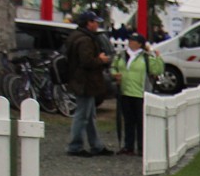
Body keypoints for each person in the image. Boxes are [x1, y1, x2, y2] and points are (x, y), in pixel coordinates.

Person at [65, 10, 112, 157]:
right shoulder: (85, 40)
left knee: (90, 114)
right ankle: (75, 146)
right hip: (84, 81)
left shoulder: (76, 36)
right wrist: (101, 60)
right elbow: (86, 61)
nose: (97, 24)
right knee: (82, 115)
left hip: (81, 80)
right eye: (94, 22)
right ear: (88, 23)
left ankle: (96, 145)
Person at [111, 32, 163, 156]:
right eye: (130, 40)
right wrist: (115, 74)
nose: (131, 42)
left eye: (134, 41)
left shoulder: (145, 57)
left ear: (140, 44)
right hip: (125, 92)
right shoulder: (121, 55)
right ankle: (128, 146)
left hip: (140, 93)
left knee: (140, 122)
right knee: (128, 121)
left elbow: (157, 70)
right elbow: (114, 67)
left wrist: (158, 58)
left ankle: (141, 147)